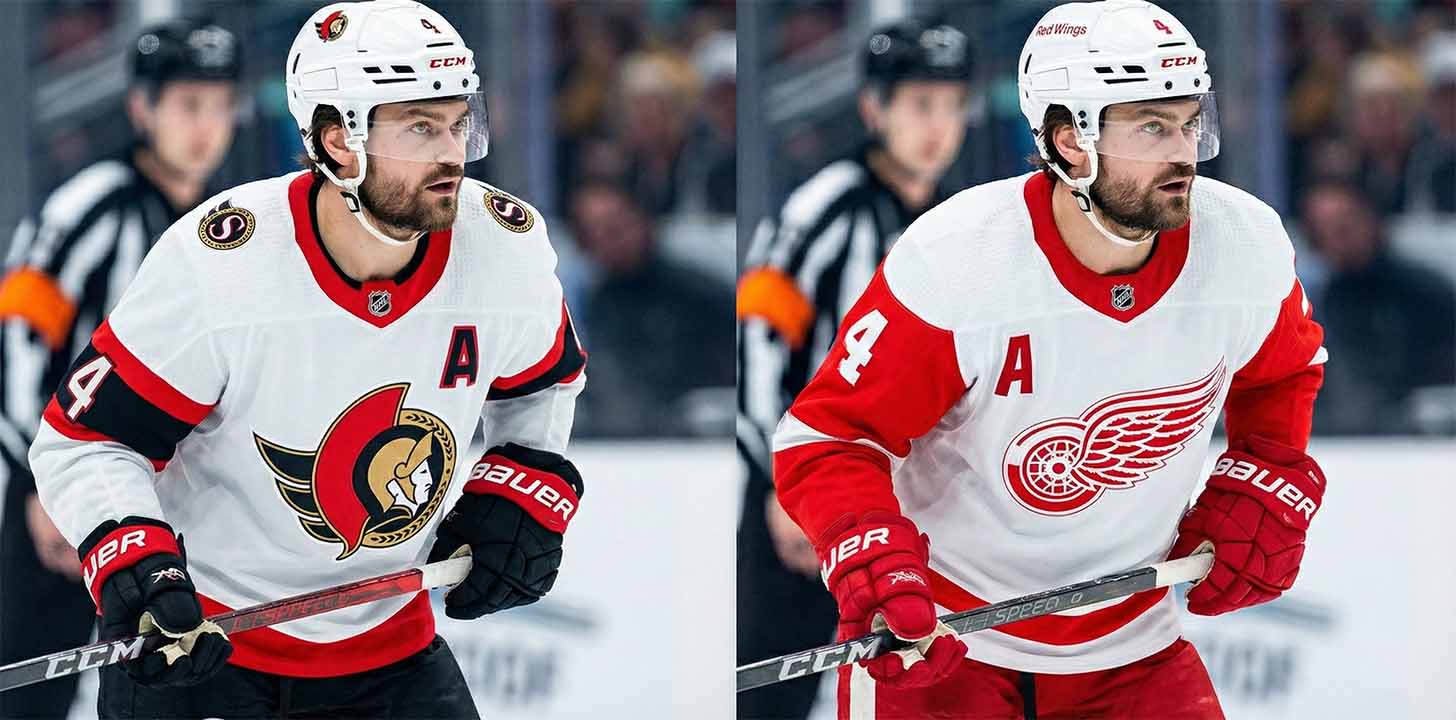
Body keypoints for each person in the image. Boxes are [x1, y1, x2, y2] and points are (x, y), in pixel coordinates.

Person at [27, 2, 586, 718]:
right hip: (204, 650)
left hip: (390, 652)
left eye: (458, 123)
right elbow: (87, 440)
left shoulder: (503, 247)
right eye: (421, 127)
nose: (452, 153)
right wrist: (132, 559)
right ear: (338, 140)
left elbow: (546, 382)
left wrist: (524, 481)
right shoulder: (223, 264)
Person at [772, 1, 1328, 718]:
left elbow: (1285, 370)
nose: (1184, 152)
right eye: (1151, 127)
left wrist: (1267, 467)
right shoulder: (961, 260)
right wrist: (868, 553)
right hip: (941, 646)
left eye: (1190, 122)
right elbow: (830, 436)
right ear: (1070, 141)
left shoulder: (1244, 245)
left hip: (1135, 646)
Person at [0, 18, 240, 719]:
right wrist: (42, 483)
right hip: (57, 490)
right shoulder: (91, 205)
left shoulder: (228, 223)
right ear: (143, 108)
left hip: (168, 504)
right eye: (188, 105)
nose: (206, 127)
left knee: (164, 687)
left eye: (220, 106)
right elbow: (17, 342)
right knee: (31, 689)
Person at [736, 17, 973, 720]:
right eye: (920, 104)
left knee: (912, 683)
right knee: (774, 686)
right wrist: (780, 481)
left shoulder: (962, 223)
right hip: (808, 490)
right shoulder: (824, 208)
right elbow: (758, 347)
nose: (939, 127)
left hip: (914, 501)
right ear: (875, 109)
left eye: (953, 105)